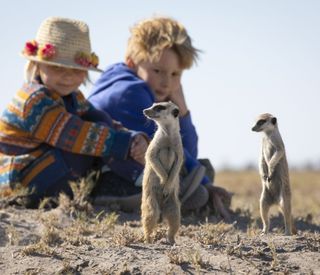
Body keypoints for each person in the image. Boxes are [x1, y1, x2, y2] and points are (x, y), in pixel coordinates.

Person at [88, 16, 232, 220]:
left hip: (121, 165)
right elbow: (177, 150)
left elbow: (188, 151)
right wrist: (205, 182)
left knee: (201, 168)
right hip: (109, 174)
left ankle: (184, 192)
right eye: (158, 71)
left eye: (176, 75)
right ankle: (119, 196)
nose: (166, 83)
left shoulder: (119, 75)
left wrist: (182, 109)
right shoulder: (131, 91)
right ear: (132, 62)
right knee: (198, 180)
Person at [0, 17, 149, 208]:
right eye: (57, 67)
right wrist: (124, 144)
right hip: (21, 181)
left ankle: (128, 181)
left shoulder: (73, 96)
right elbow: (72, 134)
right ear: (37, 65)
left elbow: (101, 119)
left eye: (76, 70)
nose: (68, 76)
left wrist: (133, 138)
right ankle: (117, 184)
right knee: (88, 141)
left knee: (100, 124)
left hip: (48, 171)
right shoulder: (33, 100)